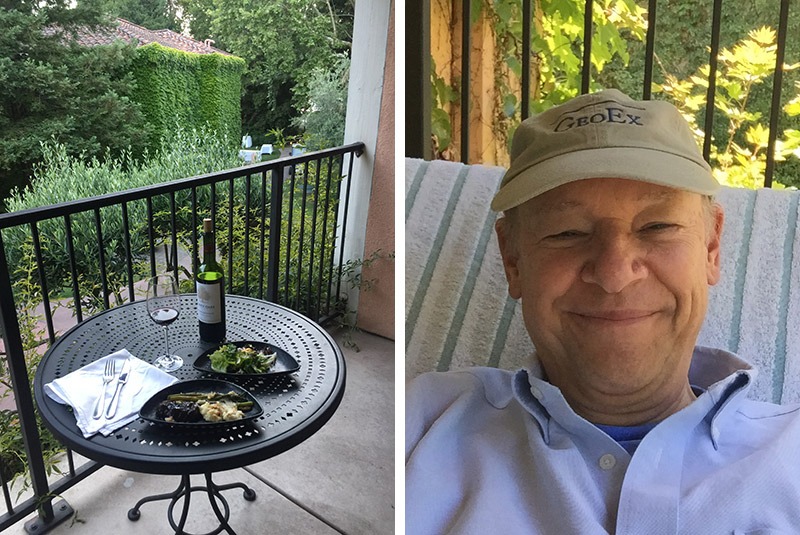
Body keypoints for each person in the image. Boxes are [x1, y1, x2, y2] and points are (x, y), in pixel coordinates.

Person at [405, 89, 800, 534]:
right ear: (513, 261)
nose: (614, 273)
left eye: (657, 226)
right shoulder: (419, 425)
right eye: (567, 232)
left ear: (711, 247)